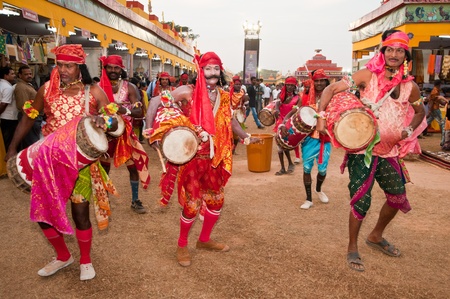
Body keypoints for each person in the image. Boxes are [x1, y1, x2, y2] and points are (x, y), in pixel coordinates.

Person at [4, 44, 122, 280]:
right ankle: (62, 255)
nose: (64, 69)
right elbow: (30, 118)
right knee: (42, 213)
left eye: (70, 65)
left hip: (81, 165)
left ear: (80, 67)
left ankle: (85, 261)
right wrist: (12, 149)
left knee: (80, 214)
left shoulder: (94, 92)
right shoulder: (46, 90)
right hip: (48, 162)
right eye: (60, 64)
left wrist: (104, 121)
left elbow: (116, 123)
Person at [316, 30, 426, 272]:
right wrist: (321, 117)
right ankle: (352, 247)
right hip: (362, 150)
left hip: (389, 152)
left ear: (405, 55)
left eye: (399, 51)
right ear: (383, 51)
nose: (394, 54)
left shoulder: (411, 88)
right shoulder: (367, 75)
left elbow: (420, 112)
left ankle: (375, 236)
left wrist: (409, 130)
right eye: (390, 49)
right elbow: (329, 90)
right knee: (361, 201)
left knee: (397, 197)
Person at [145, 52, 260, 267]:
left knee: (216, 202)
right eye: (208, 69)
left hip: (215, 158)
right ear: (200, 71)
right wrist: (150, 131)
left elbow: (230, 121)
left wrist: (246, 137)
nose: (213, 73)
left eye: (216, 69)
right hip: (192, 159)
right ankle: (182, 245)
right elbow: (154, 102)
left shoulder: (224, 96)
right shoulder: (187, 92)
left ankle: (204, 240)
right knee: (192, 205)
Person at [98, 55, 150, 214]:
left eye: (116, 68)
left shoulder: (130, 87)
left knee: (133, 168)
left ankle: (135, 200)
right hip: (103, 134)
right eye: (110, 67)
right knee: (103, 169)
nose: (113, 71)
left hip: (124, 134)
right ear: (104, 68)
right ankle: (103, 200)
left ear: (121, 69)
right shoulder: (98, 87)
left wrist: (123, 110)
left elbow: (138, 111)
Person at [282, 69, 331, 209]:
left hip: (324, 138)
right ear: (313, 82)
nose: (320, 83)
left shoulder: (332, 97)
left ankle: (318, 189)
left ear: (326, 82)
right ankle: (308, 199)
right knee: (307, 168)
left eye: (322, 80)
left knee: (322, 170)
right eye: (317, 81)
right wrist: (284, 122)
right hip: (309, 138)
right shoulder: (305, 97)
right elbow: (295, 110)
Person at [273, 76, 298, 175]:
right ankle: (283, 167)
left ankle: (290, 164)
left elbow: (294, 111)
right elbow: (277, 105)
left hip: (289, 123)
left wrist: (285, 121)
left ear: (295, 86)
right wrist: (277, 110)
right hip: (280, 122)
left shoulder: (297, 98)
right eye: (288, 85)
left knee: (285, 144)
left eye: (292, 85)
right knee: (280, 145)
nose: (290, 87)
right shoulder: (281, 95)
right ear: (285, 85)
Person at [14, 65, 42, 150]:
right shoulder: (21, 87)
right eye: (26, 74)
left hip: (33, 118)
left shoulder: (27, 85)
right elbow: (23, 105)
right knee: (32, 144)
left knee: (32, 142)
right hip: (29, 118)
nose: (29, 76)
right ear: (20, 75)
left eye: (30, 73)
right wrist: (28, 120)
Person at [425, 80, 448, 145]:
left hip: (433, 108)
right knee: (442, 123)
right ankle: (443, 140)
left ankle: (417, 132)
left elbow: (436, 100)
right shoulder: (435, 91)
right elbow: (433, 101)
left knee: (427, 121)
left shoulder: (435, 90)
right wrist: (429, 110)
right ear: (439, 84)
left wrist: (442, 102)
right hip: (435, 109)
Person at [0, 66, 18, 152]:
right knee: (7, 141)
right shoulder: (8, 87)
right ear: (5, 76)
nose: (14, 75)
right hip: (8, 118)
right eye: (12, 74)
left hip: (4, 117)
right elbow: (4, 104)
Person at [229, 76, 248, 154]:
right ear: (233, 84)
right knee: (229, 134)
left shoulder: (242, 92)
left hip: (239, 114)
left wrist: (244, 106)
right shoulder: (228, 93)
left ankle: (233, 150)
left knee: (236, 134)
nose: (238, 86)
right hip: (230, 114)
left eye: (240, 84)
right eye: (236, 84)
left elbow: (245, 103)